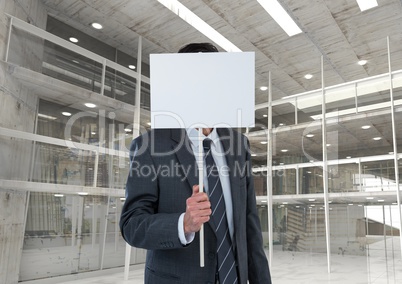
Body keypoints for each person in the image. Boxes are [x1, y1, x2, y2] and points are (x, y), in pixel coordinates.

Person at [120, 43, 272, 284]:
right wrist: (183, 224)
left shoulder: (238, 144)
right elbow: (131, 225)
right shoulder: (150, 146)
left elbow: (249, 225)